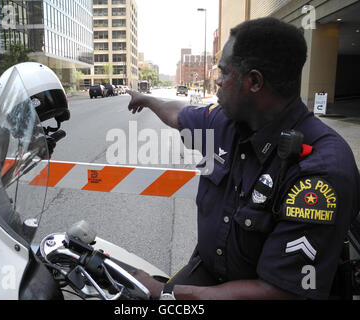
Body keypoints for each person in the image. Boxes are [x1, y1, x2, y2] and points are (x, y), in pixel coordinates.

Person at [126, 17, 360, 300]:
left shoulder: (320, 170)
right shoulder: (227, 122)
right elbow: (179, 113)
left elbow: (277, 292)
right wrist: (147, 99)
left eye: (224, 72)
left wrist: (162, 293)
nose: (217, 80)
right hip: (208, 273)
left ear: (254, 82)